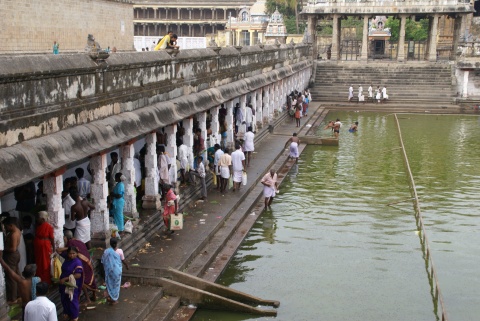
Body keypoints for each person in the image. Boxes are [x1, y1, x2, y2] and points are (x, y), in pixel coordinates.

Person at [57, 230, 97, 304]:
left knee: (83, 281)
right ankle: (94, 295)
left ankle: (88, 299)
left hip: (82, 264)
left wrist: (68, 247)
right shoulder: (78, 241)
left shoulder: (70, 244)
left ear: (65, 238)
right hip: (87, 261)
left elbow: (58, 250)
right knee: (91, 277)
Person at [58, 246, 83, 321]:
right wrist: (67, 248)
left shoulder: (77, 262)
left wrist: (66, 279)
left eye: (73, 253)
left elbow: (78, 275)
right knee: (64, 299)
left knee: (72, 300)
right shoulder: (67, 258)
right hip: (63, 284)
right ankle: (68, 313)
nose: (72, 255)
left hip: (71, 285)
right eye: (70, 253)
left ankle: (74, 317)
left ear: (77, 254)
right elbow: (58, 250)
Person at [102, 238, 129, 305]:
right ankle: (114, 299)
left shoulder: (106, 251)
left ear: (110, 244)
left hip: (109, 271)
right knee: (116, 285)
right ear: (116, 244)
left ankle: (109, 296)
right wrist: (127, 265)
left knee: (110, 283)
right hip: (117, 271)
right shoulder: (120, 251)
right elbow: (123, 260)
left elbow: (103, 261)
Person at [3, 217, 21, 302]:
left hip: (11, 256)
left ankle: (13, 298)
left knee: (11, 277)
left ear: (11, 225)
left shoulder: (13, 234)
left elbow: (13, 248)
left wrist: (3, 249)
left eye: (6, 226)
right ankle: (19, 294)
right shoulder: (17, 231)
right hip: (15, 255)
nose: (6, 228)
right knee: (17, 274)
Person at [34, 211, 55, 285]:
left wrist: (54, 249)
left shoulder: (48, 226)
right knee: (39, 262)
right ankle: (39, 278)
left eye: (38, 218)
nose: (37, 219)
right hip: (39, 247)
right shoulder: (38, 225)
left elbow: (52, 238)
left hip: (45, 247)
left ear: (43, 219)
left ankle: (46, 280)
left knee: (45, 263)